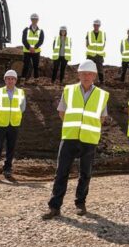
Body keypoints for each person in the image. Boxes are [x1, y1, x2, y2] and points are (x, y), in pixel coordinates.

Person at [43, 59, 109, 219]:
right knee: (61, 172)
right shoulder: (69, 90)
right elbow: (62, 112)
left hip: (89, 139)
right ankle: (55, 206)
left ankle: (80, 203)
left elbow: (102, 117)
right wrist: (74, 126)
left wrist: (87, 127)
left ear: (94, 76)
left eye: (89, 74)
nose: (86, 76)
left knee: (85, 173)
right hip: (70, 137)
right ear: (78, 74)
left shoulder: (102, 95)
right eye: (83, 73)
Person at [0, 69, 26, 181]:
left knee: (11, 148)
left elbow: (22, 108)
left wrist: (14, 116)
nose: (10, 81)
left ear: (15, 80)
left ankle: (7, 170)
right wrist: (0, 116)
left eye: (12, 79)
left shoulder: (20, 93)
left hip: (14, 124)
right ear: (5, 80)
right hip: (1, 124)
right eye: (8, 79)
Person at [21, 13, 44, 80]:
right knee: (26, 66)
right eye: (33, 19)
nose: (34, 20)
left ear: (38, 20)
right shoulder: (26, 30)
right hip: (27, 51)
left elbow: (41, 41)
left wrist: (35, 47)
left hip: (36, 51)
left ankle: (36, 79)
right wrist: (29, 48)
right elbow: (23, 40)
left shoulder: (41, 31)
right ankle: (23, 79)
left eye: (36, 19)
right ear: (31, 20)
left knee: (36, 66)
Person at [86, 19, 106, 85]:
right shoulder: (89, 33)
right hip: (90, 54)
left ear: (99, 26)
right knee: (89, 68)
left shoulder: (102, 34)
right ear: (93, 25)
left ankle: (101, 82)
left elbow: (104, 44)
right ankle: (89, 81)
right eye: (95, 25)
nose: (96, 26)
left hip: (99, 54)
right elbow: (87, 43)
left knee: (100, 68)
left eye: (97, 25)